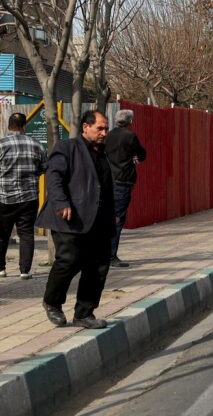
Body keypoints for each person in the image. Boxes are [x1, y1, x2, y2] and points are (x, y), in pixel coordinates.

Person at [37, 110, 116, 329]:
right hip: (69, 218)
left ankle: (84, 312)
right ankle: (52, 303)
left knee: (98, 267)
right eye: (100, 128)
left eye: (106, 128)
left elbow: (105, 186)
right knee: (69, 260)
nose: (104, 133)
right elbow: (54, 177)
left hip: (99, 221)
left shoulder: (103, 153)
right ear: (85, 127)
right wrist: (61, 202)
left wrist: (113, 213)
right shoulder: (67, 148)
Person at [0, 113, 47, 279]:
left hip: (4, 196)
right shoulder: (36, 144)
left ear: (8, 125)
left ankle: (1, 268)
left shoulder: (1, 144)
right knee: (26, 233)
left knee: (3, 233)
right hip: (29, 196)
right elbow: (44, 167)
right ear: (24, 125)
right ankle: (25, 270)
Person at [105, 109, 147, 268]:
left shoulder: (107, 136)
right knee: (117, 219)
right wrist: (135, 157)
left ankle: (102, 254)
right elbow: (142, 154)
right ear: (130, 122)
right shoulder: (130, 136)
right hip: (122, 181)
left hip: (106, 180)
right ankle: (111, 256)